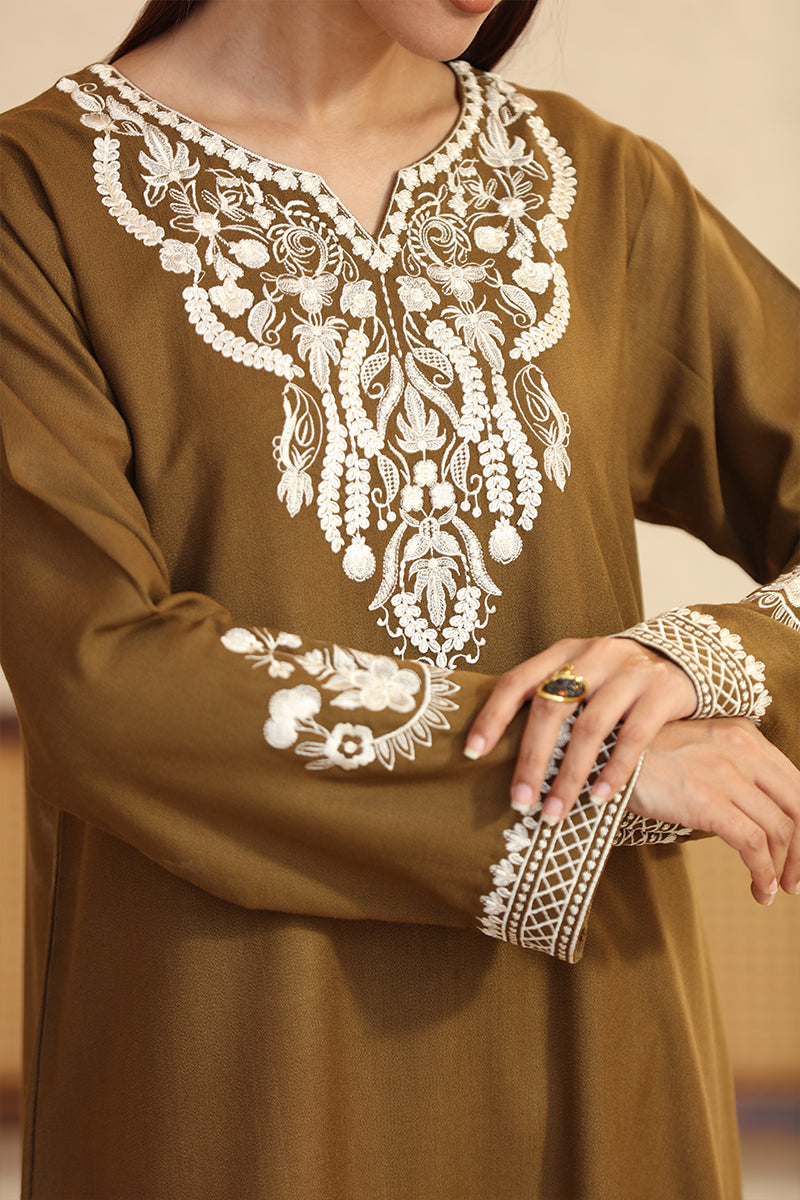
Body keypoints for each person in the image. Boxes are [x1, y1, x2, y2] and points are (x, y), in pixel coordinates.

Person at [1, 0, 798, 1196]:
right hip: (230, 1057)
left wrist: (706, 658)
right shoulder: (40, 202)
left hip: (596, 1044)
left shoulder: (595, 189)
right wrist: (577, 769)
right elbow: (97, 678)